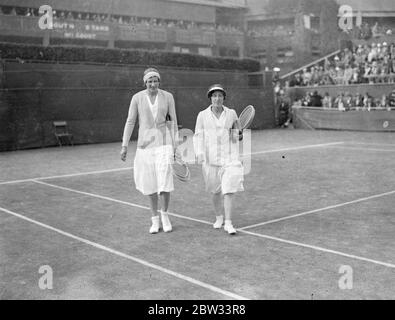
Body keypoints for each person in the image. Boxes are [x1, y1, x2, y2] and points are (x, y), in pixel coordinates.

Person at [120, 67, 179, 234]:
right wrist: (124, 145)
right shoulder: (137, 98)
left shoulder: (168, 97)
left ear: (159, 81)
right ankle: (154, 220)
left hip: (164, 144)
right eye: (150, 81)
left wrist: (175, 145)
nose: (153, 84)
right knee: (150, 184)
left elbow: (173, 121)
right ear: (145, 82)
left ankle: (165, 216)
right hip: (145, 147)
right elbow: (130, 122)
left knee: (164, 183)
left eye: (155, 80)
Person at [193, 84, 244, 235]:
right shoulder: (202, 115)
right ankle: (219, 217)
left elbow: (237, 135)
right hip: (210, 159)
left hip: (230, 157)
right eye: (214, 96)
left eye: (220, 96)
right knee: (215, 191)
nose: (217, 98)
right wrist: (199, 152)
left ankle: (228, 223)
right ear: (210, 98)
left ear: (224, 98)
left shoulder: (232, 113)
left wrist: (239, 135)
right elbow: (198, 135)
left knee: (228, 190)